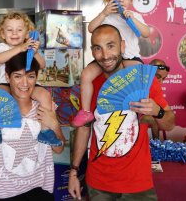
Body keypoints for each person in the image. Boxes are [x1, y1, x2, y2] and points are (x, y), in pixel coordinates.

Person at [68, 25, 175, 200]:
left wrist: (158, 112)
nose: (105, 55)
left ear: (122, 46)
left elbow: (170, 123)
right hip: (98, 182)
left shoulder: (144, 81)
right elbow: (84, 128)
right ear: (93, 52)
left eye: (111, 46)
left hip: (137, 182)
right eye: (98, 48)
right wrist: (74, 171)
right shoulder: (90, 86)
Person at [0, 52, 65, 200]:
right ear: (7, 77)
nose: (24, 83)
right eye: (17, 76)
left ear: (36, 77)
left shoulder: (44, 108)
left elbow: (59, 149)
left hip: (40, 189)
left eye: (30, 76)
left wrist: (55, 125)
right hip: (4, 192)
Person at [71, 0, 151, 127]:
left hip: (130, 56)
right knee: (86, 74)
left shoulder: (135, 16)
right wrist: (103, 13)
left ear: (131, 0)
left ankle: (141, 109)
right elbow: (91, 28)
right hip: (108, 56)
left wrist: (132, 19)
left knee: (140, 74)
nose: (121, 0)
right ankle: (86, 111)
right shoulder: (106, 17)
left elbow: (146, 33)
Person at [0, 12, 62, 146]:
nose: (14, 33)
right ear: (2, 34)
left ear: (26, 34)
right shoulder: (3, 47)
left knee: (45, 95)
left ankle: (45, 131)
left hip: (29, 85)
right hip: (6, 84)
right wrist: (20, 48)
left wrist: (34, 53)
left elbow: (42, 65)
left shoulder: (29, 48)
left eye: (19, 30)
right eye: (10, 30)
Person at [146, 59, 171, 139]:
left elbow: (167, 115)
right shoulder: (138, 81)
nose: (161, 82)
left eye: (164, 79)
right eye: (158, 77)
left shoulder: (156, 89)